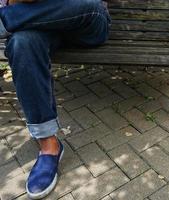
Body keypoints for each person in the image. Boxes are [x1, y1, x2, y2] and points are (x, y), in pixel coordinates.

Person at [0, 0, 111, 198]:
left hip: (84, 19)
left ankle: (5, 20)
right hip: (42, 23)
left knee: (90, 5)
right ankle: (49, 146)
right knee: (21, 43)